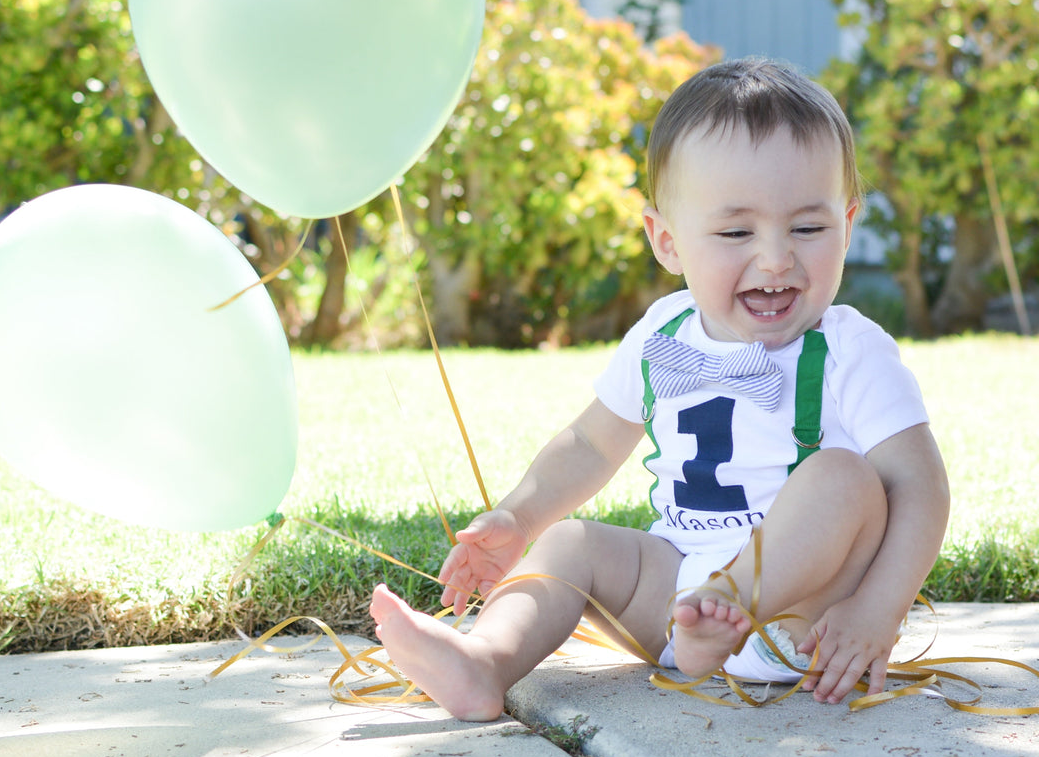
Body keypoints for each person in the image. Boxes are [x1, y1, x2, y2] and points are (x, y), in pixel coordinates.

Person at [370, 57, 950, 722]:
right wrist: (519, 518)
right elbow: (590, 443)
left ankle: (731, 605)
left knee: (844, 477)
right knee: (571, 543)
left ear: (846, 224)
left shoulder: (850, 349)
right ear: (668, 241)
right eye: (736, 232)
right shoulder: (661, 335)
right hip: (672, 595)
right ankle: (485, 660)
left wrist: (877, 610)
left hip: (803, 617)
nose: (775, 257)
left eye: (808, 228)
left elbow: (921, 486)